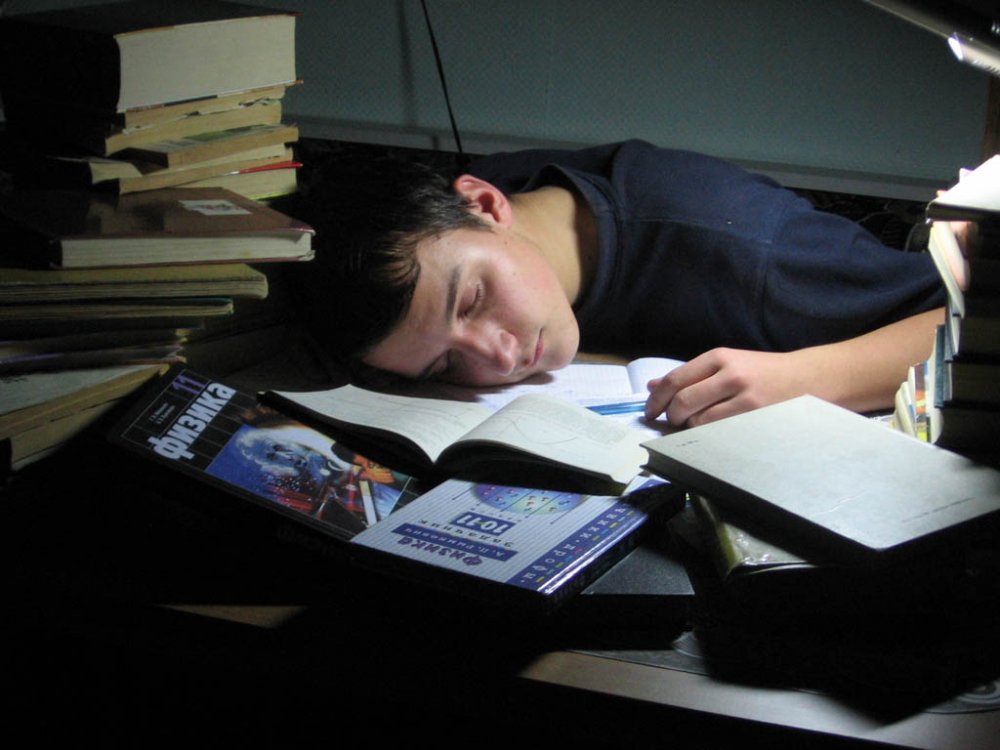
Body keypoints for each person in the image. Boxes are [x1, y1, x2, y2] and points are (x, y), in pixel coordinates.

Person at [288, 140, 945, 427]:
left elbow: (964, 319)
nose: (498, 358)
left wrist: (809, 378)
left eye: (474, 302)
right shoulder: (455, 224)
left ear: (487, 203)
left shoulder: (745, 256)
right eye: (443, 365)